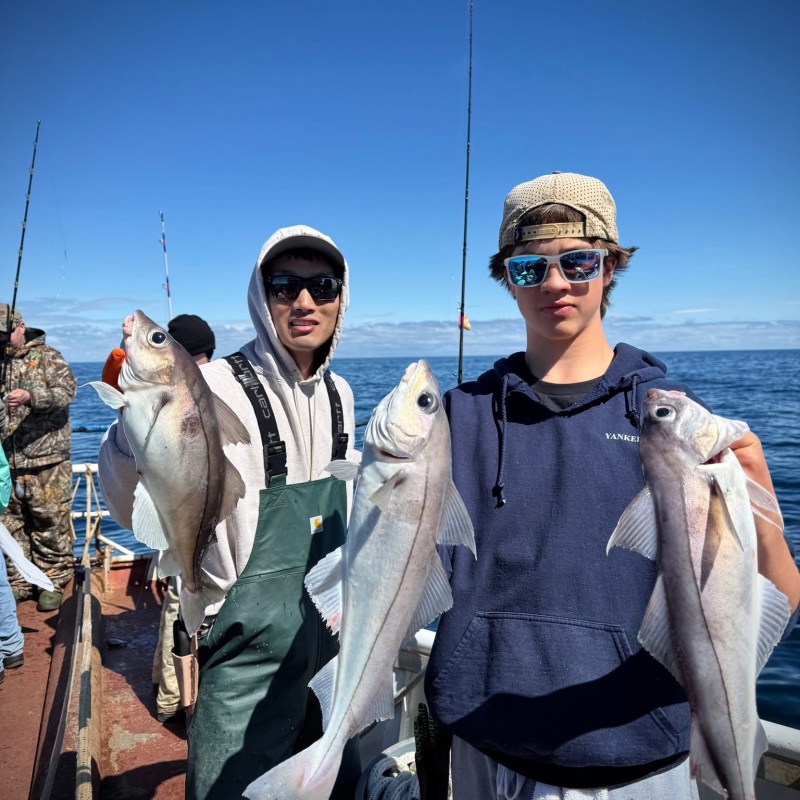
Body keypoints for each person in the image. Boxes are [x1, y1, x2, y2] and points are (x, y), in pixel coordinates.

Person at [424, 172, 800, 799]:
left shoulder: (676, 427)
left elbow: (781, 594)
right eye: (529, 269)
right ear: (506, 280)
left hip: (639, 762)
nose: (555, 284)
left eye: (578, 261)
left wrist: (755, 493)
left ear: (611, 266)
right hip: (480, 746)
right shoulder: (454, 419)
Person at [98, 225, 361, 799]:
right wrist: (132, 422)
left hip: (327, 644)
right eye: (285, 285)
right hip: (243, 647)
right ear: (261, 295)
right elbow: (122, 501)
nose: (305, 301)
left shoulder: (342, 394)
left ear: (342, 297)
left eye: (322, 285)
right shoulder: (208, 384)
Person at [149, 313, 218, 725]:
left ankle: (167, 691)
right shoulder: (214, 388)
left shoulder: (163, 390)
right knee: (182, 606)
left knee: (178, 603)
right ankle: (174, 701)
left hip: (175, 516)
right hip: (196, 519)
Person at [1, 304, 77, 612]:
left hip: (47, 460)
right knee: (11, 526)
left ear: (21, 327)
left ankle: (53, 581)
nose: (3, 342)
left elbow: (67, 392)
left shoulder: (49, 358)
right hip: (7, 462)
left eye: (6, 335)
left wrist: (32, 398)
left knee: (50, 523)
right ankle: (19, 581)